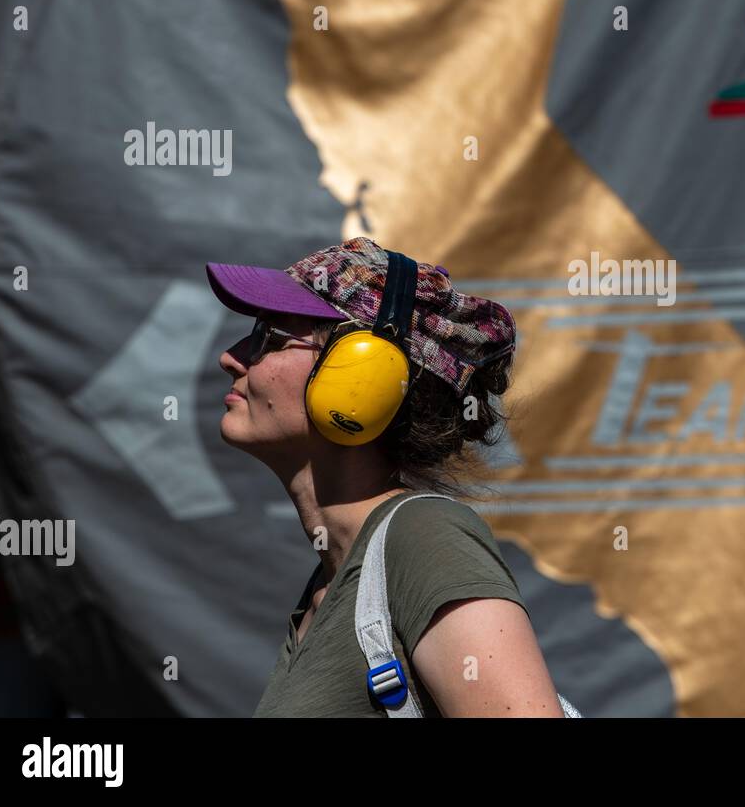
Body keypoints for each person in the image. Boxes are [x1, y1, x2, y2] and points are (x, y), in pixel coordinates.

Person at [205, 236, 565, 717]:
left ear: (364, 375)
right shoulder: (328, 588)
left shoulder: (424, 539)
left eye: (270, 336)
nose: (231, 356)